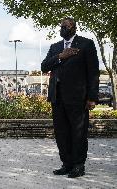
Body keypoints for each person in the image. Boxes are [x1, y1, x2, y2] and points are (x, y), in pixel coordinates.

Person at [41, 17, 99, 178]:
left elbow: (93, 72)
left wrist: (92, 97)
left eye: (65, 26)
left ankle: (78, 165)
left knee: (78, 132)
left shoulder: (86, 44)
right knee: (61, 132)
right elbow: (44, 66)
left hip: (77, 97)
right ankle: (66, 163)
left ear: (73, 28)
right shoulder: (55, 47)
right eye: (61, 26)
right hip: (57, 97)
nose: (62, 29)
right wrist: (61, 56)